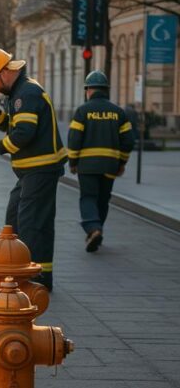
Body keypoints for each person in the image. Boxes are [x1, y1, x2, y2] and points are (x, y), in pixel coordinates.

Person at [0, 48, 67, 290]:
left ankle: (38, 276)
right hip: (30, 170)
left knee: (32, 224)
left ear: (4, 72)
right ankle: (22, 270)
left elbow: (24, 134)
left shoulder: (27, 93)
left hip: (41, 168)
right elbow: (12, 127)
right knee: (14, 221)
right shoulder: (18, 93)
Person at [67, 71, 134, 252]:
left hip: (87, 166)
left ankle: (93, 228)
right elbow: (128, 141)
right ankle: (97, 231)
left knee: (88, 197)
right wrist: (122, 163)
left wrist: (73, 162)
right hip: (110, 165)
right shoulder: (118, 112)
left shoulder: (83, 111)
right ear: (106, 90)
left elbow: (74, 139)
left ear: (88, 90)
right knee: (103, 200)